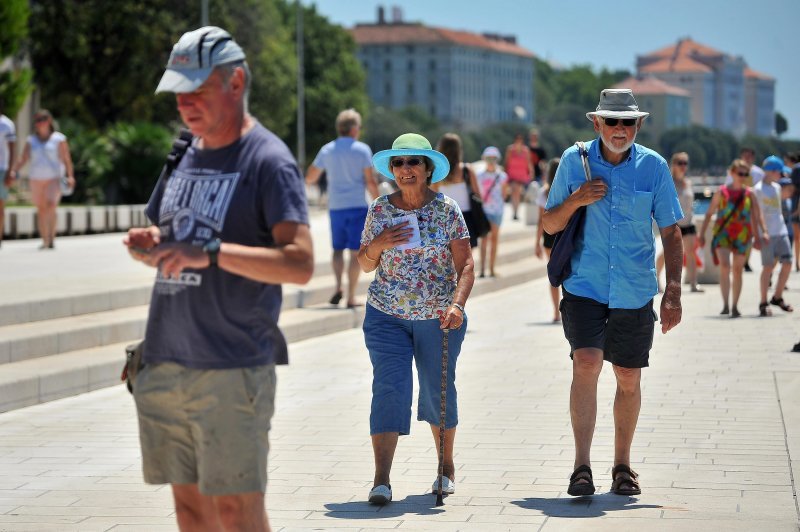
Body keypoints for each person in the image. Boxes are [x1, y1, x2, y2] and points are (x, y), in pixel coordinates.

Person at [122, 27, 314, 532]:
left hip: (230, 367)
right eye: (178, 92)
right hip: (165, 359)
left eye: (197, 89)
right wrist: (154, 247)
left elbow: (299, 262)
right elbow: (177, 243)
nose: (184, 103)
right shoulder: (183, 150)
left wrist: (207, 252)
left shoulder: (268, 161)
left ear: (236, 82)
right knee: (190, 512)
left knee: (236, 512)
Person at [542, 89, 684, 497]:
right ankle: (581, 466)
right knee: (586, 363)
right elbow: (550, 224)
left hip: (635, 288)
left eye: (627, 122)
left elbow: (672, 231)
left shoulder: (653, 167)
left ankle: (622, 464)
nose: (619, 130)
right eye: (611, 121)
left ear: (638, 125)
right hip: (585, 284)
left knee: (626, 374)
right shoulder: (575, 162)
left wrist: (672, 290)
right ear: (596, 123)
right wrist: (577, 199)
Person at [359, 133, 474, 504]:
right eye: (398, 163)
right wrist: (379, 244)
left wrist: (457, 305)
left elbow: (467, 265)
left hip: (438, 317)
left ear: (427, 169)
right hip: (385, 314)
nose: (405, 170)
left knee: (436, 390)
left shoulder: (446, 210)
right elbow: (364, 263)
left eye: (413, 163)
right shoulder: (380, 209)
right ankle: (381, 480)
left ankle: (445, 468)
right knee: (389, 388)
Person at [306, 109, 378, 307]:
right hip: (356, 206)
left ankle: (338, 286)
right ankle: (351, 296)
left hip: (336, 207)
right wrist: (381, 202)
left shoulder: (327, 149)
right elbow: (370, 181)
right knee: (355, 251)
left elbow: (311, 176)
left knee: (337, 249)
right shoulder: (362, 149)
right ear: (354, 128)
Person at [698, 159, 767, 318]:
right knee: (724, 266)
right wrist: (701, 234)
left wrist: (760, 235)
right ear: (732, 173)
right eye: (740, 173)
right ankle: (725, 304)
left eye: (745, 174)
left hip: (743, 235)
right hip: (723, 234)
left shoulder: (750, 193)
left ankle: (735, 305)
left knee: (737, 270)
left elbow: (756, 216)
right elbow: (709, 213)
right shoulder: (721, 192)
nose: (742, 176)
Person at [10, 109, 74, 250]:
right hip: (36, 178)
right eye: (37, 120)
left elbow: (66, 158)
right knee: (41, 208)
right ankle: (44, 239)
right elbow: (24, 158)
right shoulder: (31, 140)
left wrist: (70, 176)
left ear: (49, 121)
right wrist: (14, 170)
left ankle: (51, 238)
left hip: (53, 177)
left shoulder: (59, 139)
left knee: (51, 205)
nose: (39, 123)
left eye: (42, 119)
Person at [656, 153, 702, 292]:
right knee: (667, 253)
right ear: (673, 164)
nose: (683, 166)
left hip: (689, 222)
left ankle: (693, 283)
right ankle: (657, 279)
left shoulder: (688, 182)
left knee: (691, 253)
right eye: (680, 163)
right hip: (673, 223)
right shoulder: (669, 181)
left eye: (685, 163)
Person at [753, 156, 793, 315]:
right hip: (766, 234)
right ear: (772, 171)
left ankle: (777, 296)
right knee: (768, 267)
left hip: (781, 230)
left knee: (788, 262)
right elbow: (755, 214)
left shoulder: (777, 187)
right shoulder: (757, 189)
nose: (781, 175)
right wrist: (758, 235)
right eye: (779, 172)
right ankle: (763, 302)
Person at [433, 133, 481, 248]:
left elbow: (432, 195)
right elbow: (478, 194)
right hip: (466, 217)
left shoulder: (437, 171)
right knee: (466, 255)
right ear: (458, 149)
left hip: (443, 217)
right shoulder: (466, 169)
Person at [535, 157, 561, 322]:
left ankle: (555, 313)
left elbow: (540, 221)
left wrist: (536, 242)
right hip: (564, 234)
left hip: (548, 235)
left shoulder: (543, 192)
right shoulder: (568, 190)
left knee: (553, 276)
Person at [476, 146, 508, 278]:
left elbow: (504, 194)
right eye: (489, 158)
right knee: (484, 240)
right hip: (484, 211)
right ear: (484, 159)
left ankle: (491, 269)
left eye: (493, 158)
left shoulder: (502, 176)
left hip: (497, 210)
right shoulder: (479, 175)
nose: (491, 161)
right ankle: (483, 269)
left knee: (494, 240)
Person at [505, 133, 533, 220]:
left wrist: (531, 172)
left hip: (522, 175)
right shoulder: (510, 149)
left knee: (517, 194)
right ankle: (515, 212)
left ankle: (516, 211)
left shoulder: (526, 150)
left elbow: (528, 162)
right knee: (514, 192)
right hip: (512, 174)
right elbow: (506, 162)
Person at [0, 101, 16, 249]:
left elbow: (12, 150)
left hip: (2, 168)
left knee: (0, 205)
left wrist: (11, 171)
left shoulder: (7, 124)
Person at [788, 151, 800, 272]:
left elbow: (793, 188)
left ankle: (797, 262)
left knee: (796, 237)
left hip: (796, 205)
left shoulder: (796, 169)